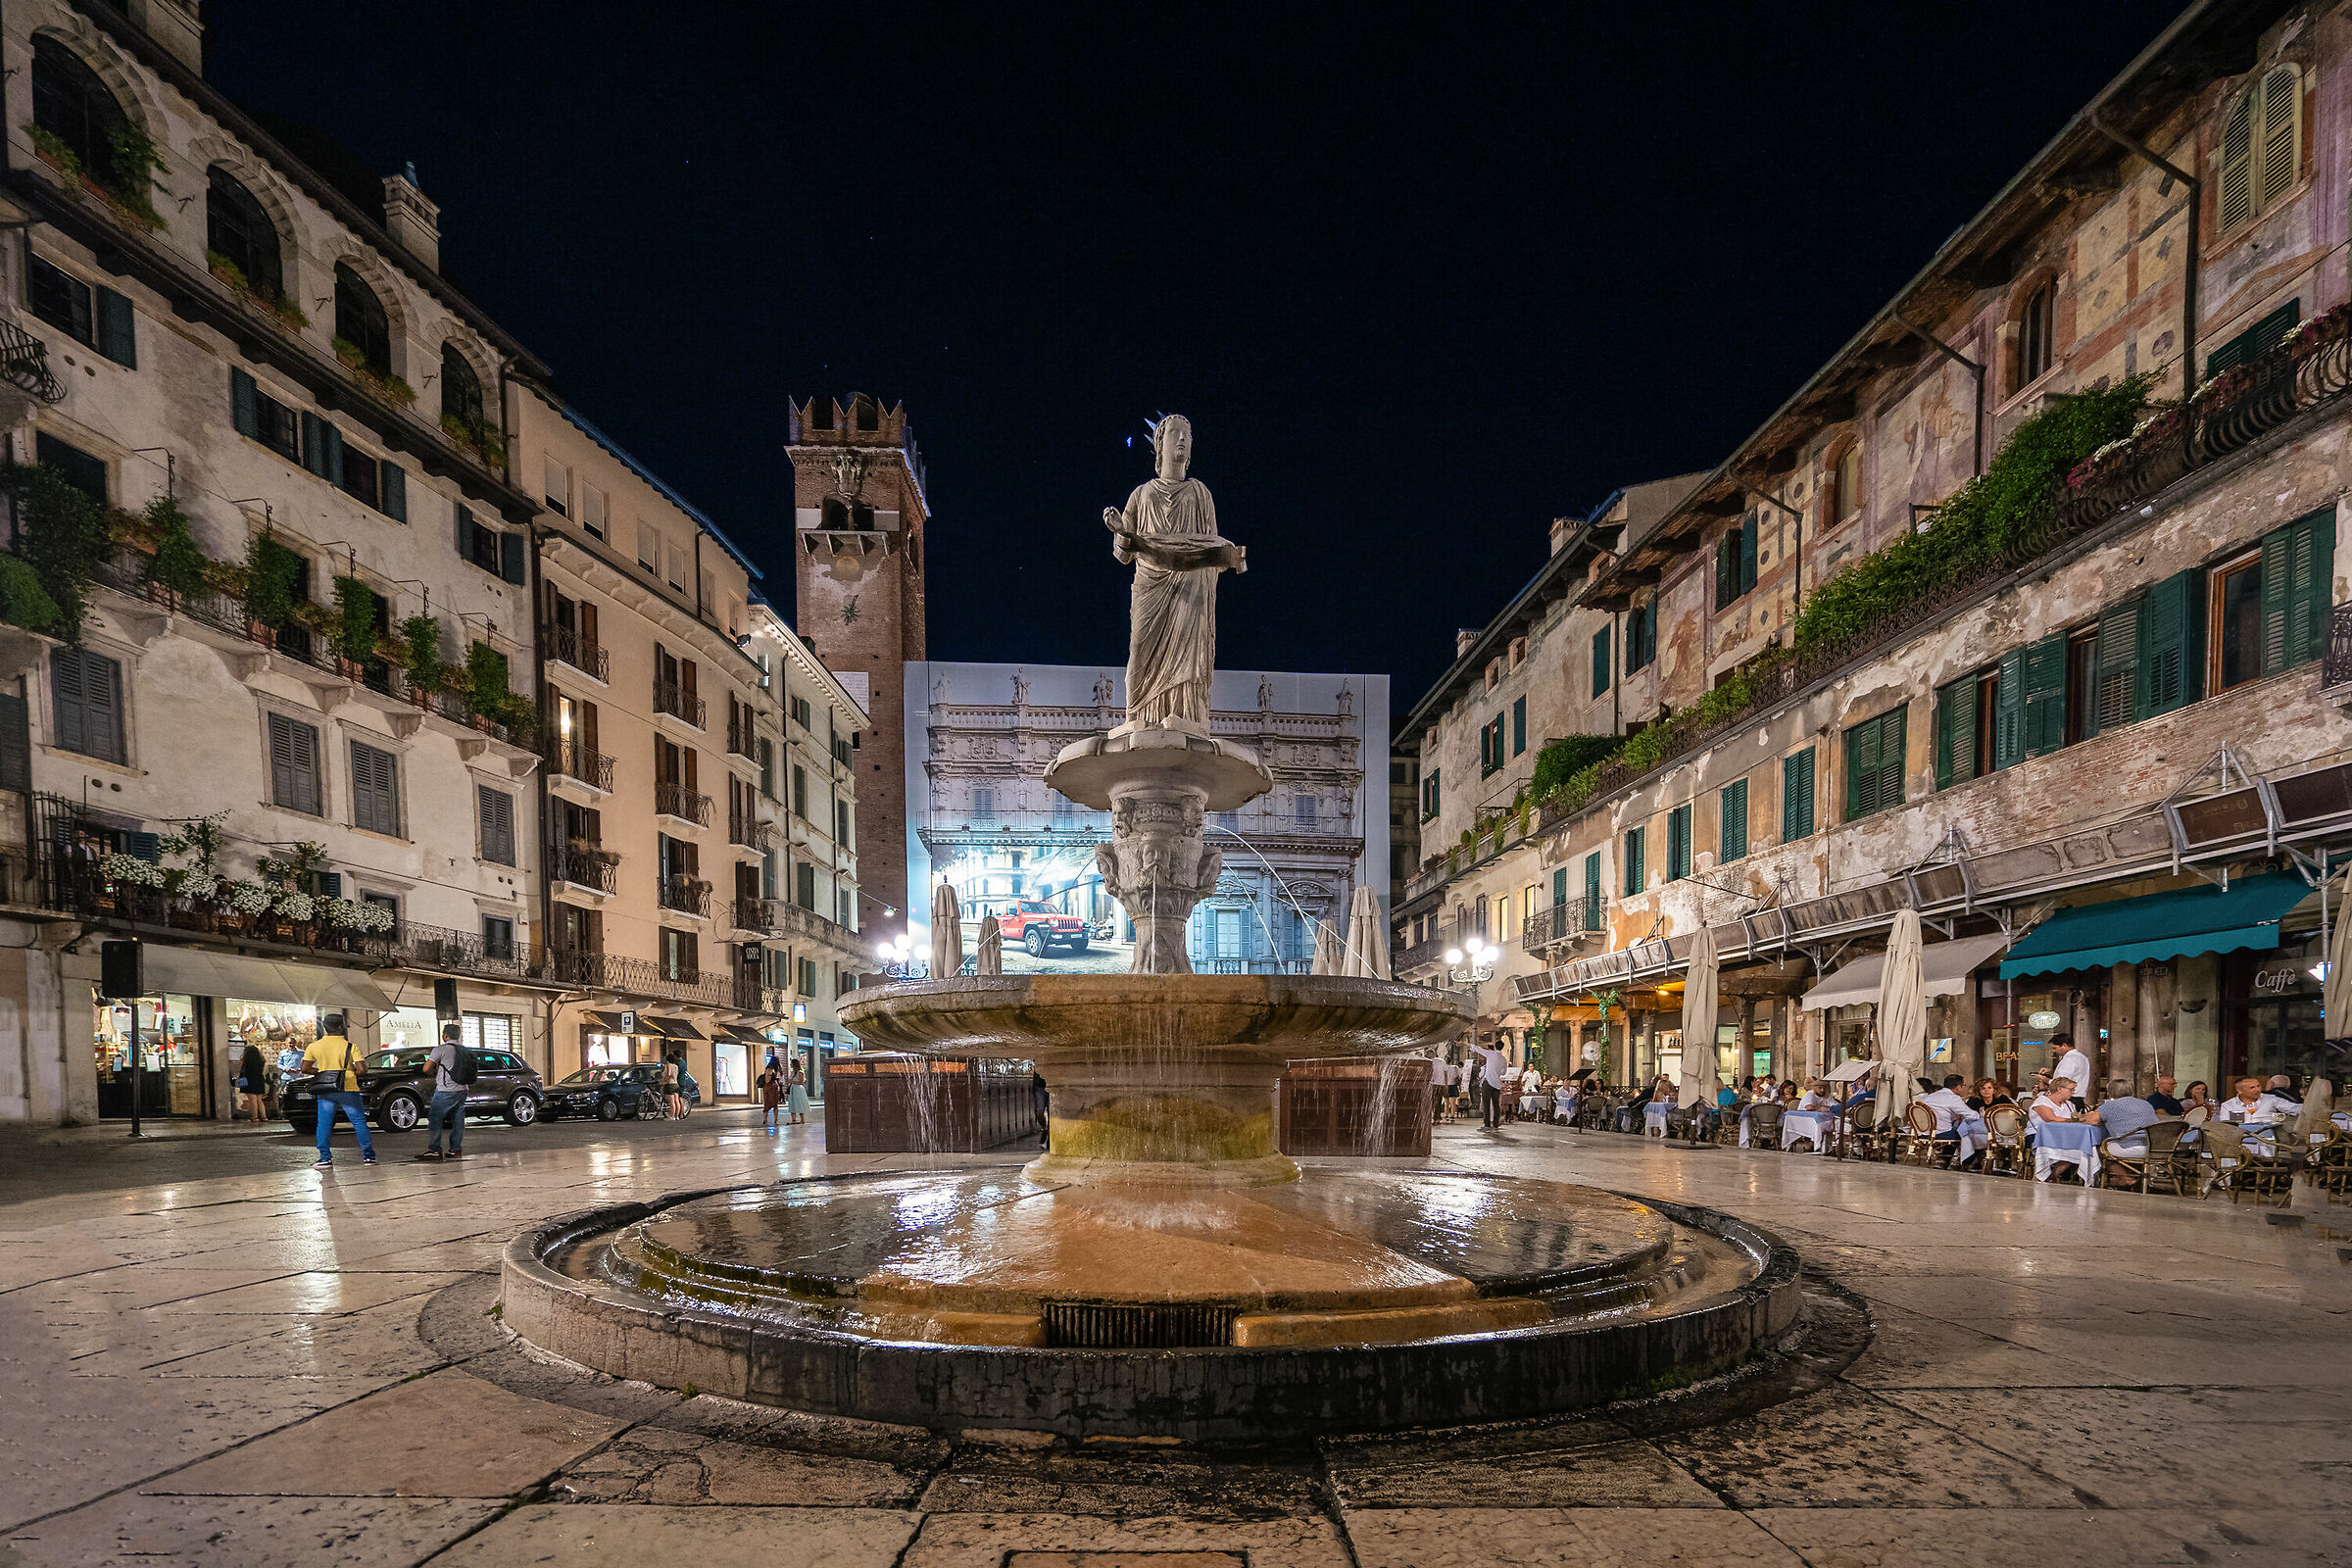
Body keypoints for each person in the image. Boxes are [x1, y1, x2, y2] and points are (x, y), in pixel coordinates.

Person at [300, 1012, 373, 1168]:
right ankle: (368, 1156)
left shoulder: (314, 1046)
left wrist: (323, 1072)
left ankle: (325, 1158)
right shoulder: (350, 1047)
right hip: (348, 1087)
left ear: (325, 1027)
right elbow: (362, 1069)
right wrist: (348, 1072)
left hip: (326, 1089)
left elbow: (305, 1068)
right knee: (358, 1122)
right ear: (341, 1027)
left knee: (324, 1124)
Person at [415, 1022, 466, 1162]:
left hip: (445, 1089)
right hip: (462, 1089)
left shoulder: (441, 1049)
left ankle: (434, 1150)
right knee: (458, 1120)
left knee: (435, 1118)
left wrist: (434, 1074)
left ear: (445, 1036)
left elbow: (426, 1068)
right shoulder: (464, 1050)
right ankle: (455, 1150)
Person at [2213, 1076, 2296, 1126]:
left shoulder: (2272, 1099)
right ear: (2239, 1090)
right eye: (2252, 1087)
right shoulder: (2228, 1105)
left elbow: (2296, 1109)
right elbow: (2226, 1127)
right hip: (2241, 1143)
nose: (2257, 1090)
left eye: (2258, 1086)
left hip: (2267, 1143)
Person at [1466, 1040, 1509, 1129]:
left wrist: (1464, 1043)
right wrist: (1496, 1072)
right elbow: (1504, 1072)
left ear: (1495, 1047)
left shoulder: (1490, 1054)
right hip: (1497, 1084)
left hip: (1488, 1082)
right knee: (1496, 1104)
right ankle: (1496, 1124)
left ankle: (1487, 1124)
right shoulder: (1503, 1059)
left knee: (1486, 1104)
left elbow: (1477, 1048)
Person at [2047, 1036, 2093, 1112]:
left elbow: (2061, 1082)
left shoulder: (2069, 1059)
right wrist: (2051, 1072)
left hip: (2069, 1100)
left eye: (2055, 1048)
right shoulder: (2082, 1057)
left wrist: (2046, 1080)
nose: (2054, 1051)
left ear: (2064, 1045)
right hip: (2078, 1099)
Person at [235, 1041, 268, 1123]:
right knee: (259, 1100)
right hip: (259, 1079)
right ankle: (264, 1117)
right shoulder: (261, 1060)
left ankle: (254, 1117)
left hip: (249, 1079)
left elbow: (241, 1069)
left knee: (252, 1099)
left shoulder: (245, 1060)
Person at [758, 1059, 783, 1132]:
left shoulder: (774, 1069)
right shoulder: (770, 1069)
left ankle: (766, 1120)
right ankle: (773, 1120)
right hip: (770, 1089)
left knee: (772, 1104)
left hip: (772, 1089)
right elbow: (767, 1080)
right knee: (771, 1104)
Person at [786, 1060, 810, 1126]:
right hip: (792, 1089)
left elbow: (801, 1082)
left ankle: (802, 1119)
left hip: (798, 1089)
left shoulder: (800, 1072)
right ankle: (793, 1120)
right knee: (792, 1104)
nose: (790, 1064)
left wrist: (792, 1081)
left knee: (799, 1103)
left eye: (791, 1063)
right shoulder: (792, 1072)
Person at [662, 1053, 684, 1119]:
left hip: (670, 1084)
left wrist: (664, 1080)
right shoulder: (676, 1066)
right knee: (676, 1101)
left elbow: (668, 1074)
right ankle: (677, 1116)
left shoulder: (668, 1065)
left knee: (672, 1102)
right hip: (676, 1084)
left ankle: (672, 1116)